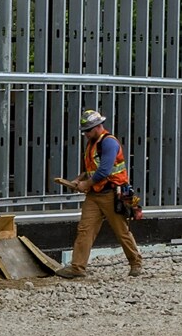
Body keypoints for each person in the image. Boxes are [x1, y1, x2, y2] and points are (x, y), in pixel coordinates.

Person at [54, 108, 143, 279]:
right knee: (85, 230)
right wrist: (79, 180)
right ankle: (77, 268)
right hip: (95, 195)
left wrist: (85, 184)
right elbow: (91, 169)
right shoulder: (92, 143)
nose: (86, 134)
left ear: (98, 126)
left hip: (112, 194)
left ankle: (135, 262)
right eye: (84, 131)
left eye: (88, 130)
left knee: (122, 231)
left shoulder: (109, 143)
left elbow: (104, 170)